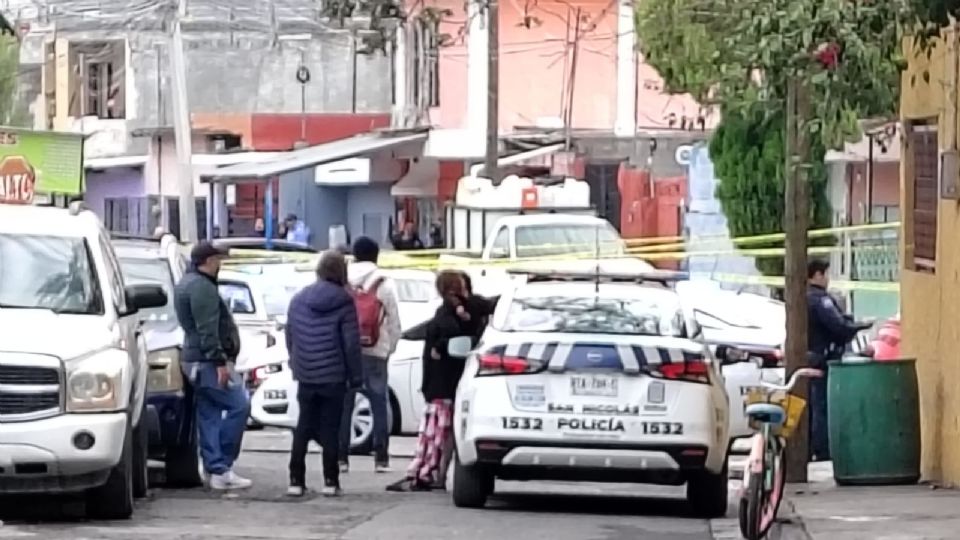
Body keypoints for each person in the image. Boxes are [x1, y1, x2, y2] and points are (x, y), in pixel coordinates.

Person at [386, 271, 479, 492]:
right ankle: (433, 472)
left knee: (436, 432)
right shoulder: (462, 313)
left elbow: (446, 338)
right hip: (448, 383)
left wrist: (440, 346)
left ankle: (429, 471)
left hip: (441, 384)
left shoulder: (448, 314)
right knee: (441, 432)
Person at [173, 242, 251, 490]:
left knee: (209, 413)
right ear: (207, 261)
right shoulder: (202, 288)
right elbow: (208, 328)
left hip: (194, 358)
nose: (220, 264)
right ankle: (222, 466)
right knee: (239, 404)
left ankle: (214, 466)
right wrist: (219, 361)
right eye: (218, 259)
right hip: (207, 361)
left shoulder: (187, 283)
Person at [285, 251, 363, 497]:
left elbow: (291, 335)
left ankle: (295, 479)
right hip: (333, 375)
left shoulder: (298, 299)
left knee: (304, 424)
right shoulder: (344, 301)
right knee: (331, 427)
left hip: (306, 372)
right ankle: (330, 480)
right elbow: (350, 342)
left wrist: (297, 360)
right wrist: (356, 375)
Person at [339, 236, 402, 473]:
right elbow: (394, 321)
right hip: (376, 350)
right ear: (376, 255)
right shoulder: (384, 283)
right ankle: (381, 458)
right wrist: (389, 347)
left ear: (354, 254)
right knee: (378, 402)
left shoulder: (343, 281)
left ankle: (341, 457)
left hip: (348, 351)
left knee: (346, 404)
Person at [806, 259, 873, 462]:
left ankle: (815, 447)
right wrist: (860, 326)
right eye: (825, 274)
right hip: (823, 358)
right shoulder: (819, 299)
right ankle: (823, 448)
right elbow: (838, 326)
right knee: (822, 406)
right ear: (817, 275)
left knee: (815, 404)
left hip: (812, 357)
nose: (827, 279)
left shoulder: (805, 297)